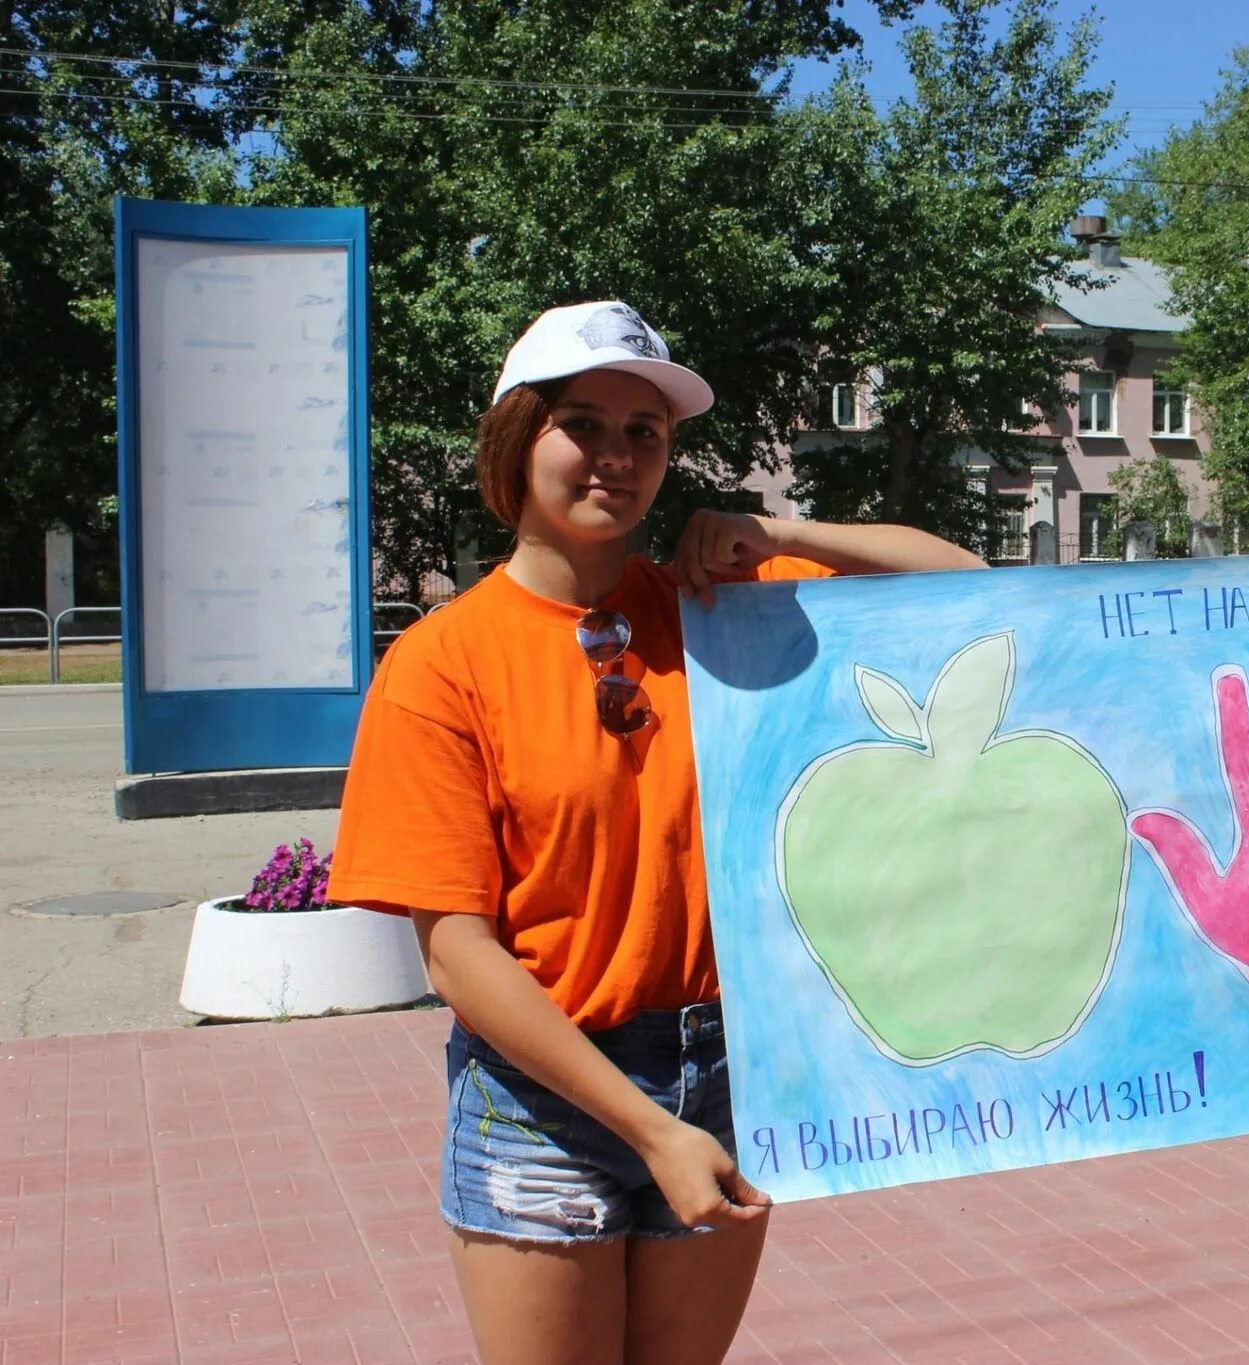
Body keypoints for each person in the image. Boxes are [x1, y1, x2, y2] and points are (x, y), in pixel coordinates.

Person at [326, 300, 984, 1365]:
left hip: (725, 1068)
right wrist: (647, 1131)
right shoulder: (442, 665)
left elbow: (967, 583)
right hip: (540, 1094)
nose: (615, 457)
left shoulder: (716, 606)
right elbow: (456, 950)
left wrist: (777, 532)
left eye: (645, 432)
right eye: (581, 423)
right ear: (515, 440)